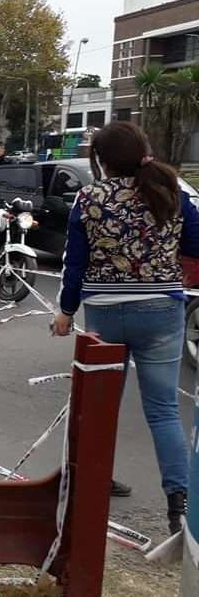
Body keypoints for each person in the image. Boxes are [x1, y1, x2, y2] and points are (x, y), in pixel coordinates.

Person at [53, 121, 199, 534]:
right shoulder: (171, 192)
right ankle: (179, 502)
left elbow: (75, 262)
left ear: (99, 160)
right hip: (161, 311)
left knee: (100, 406)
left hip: (104, 312)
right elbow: (195, 244)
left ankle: (91, 484)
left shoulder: (89, 197)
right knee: (164, 409)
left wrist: (66, 311)